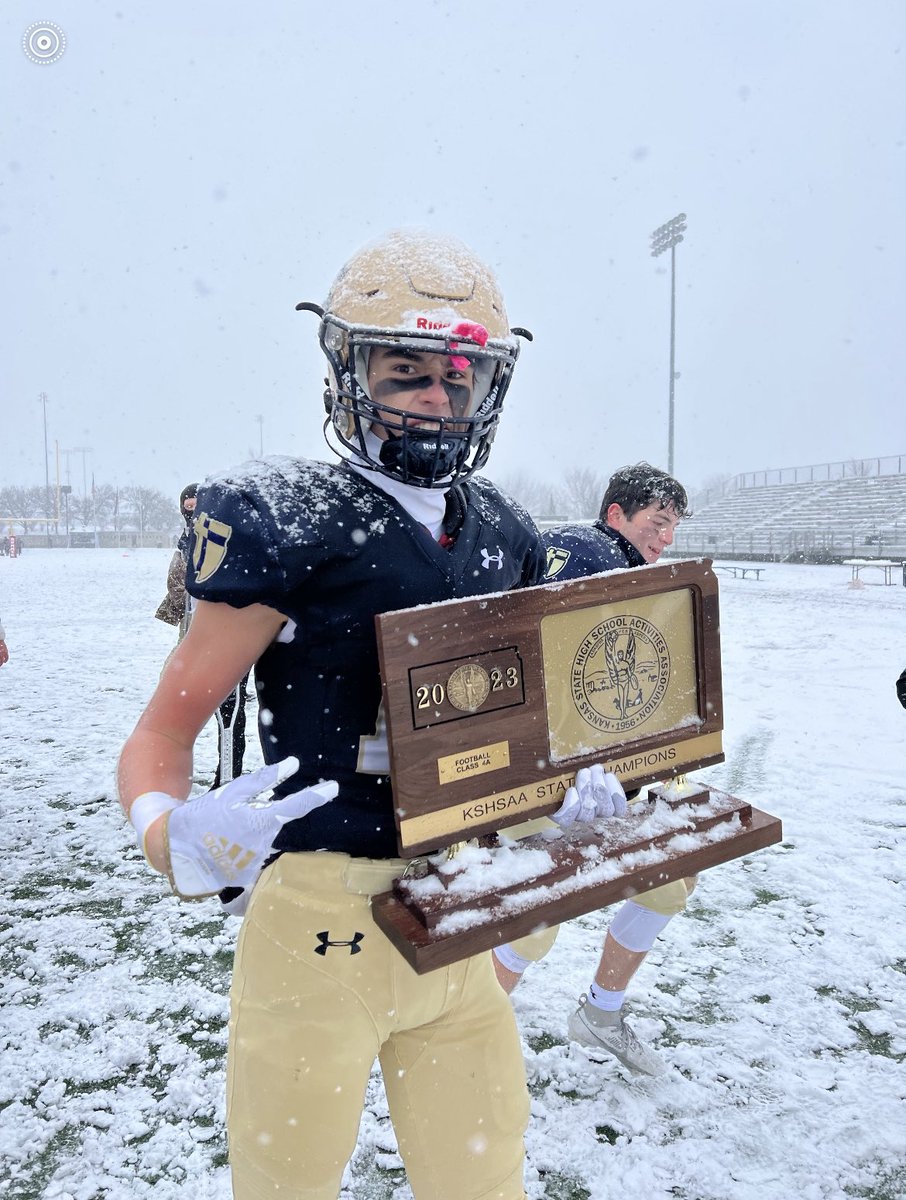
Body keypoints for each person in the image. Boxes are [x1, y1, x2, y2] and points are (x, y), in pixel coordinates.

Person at [117, 230, 625, 1200]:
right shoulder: (286, 514)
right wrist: (165, 830)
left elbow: (494, 727)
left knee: (486, 1179)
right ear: (348, 369)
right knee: (287, 1184)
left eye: (459, 376)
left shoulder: (505, 533)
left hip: (456, 909)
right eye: (409, 371)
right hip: (315, 919)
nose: (439, 397)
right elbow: (162, 733)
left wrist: (550, 793)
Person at [493, 462, 692, 1077]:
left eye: (674, 527)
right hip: (541, 774)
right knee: (538, 909)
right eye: (657, 523)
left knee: (669, 881)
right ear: (616, 516)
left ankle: (600, 1012)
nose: (666, 539)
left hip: (570, 769)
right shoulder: (594, 558)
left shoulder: (595, 555)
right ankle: (457, 1030)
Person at [155, 482, 250, 786]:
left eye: (197, 508)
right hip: (194, 636)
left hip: (229, 638)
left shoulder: (228, 540)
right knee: (187, 705)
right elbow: (177, 587)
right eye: (187, 508)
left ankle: (229, 776)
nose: (192, 515)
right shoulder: (185, 542)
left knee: (229, 709)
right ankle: (175, 773)